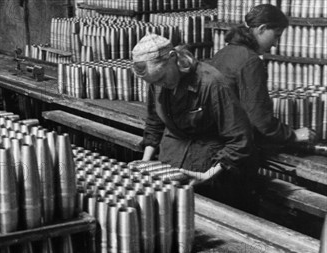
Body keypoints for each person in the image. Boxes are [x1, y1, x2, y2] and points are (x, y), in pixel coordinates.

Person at [133, 34, 257, 212]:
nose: (159, 84)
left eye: (161, 78)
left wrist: (208, 175)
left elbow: (241, 138)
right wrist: (145, 163)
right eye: (154, 82)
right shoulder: (157, 81)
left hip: (209, 169)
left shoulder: (211, 83)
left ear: (173, 58)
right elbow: (154, 122)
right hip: (171, 162)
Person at [211, 4, 316, 147]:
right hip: (232, 148)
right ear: (262, 29)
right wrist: (293, 135)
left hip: (214, 139)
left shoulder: (223, 53)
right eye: (276, 36)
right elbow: (258, 119)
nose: (275, 44)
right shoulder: (250, 61)